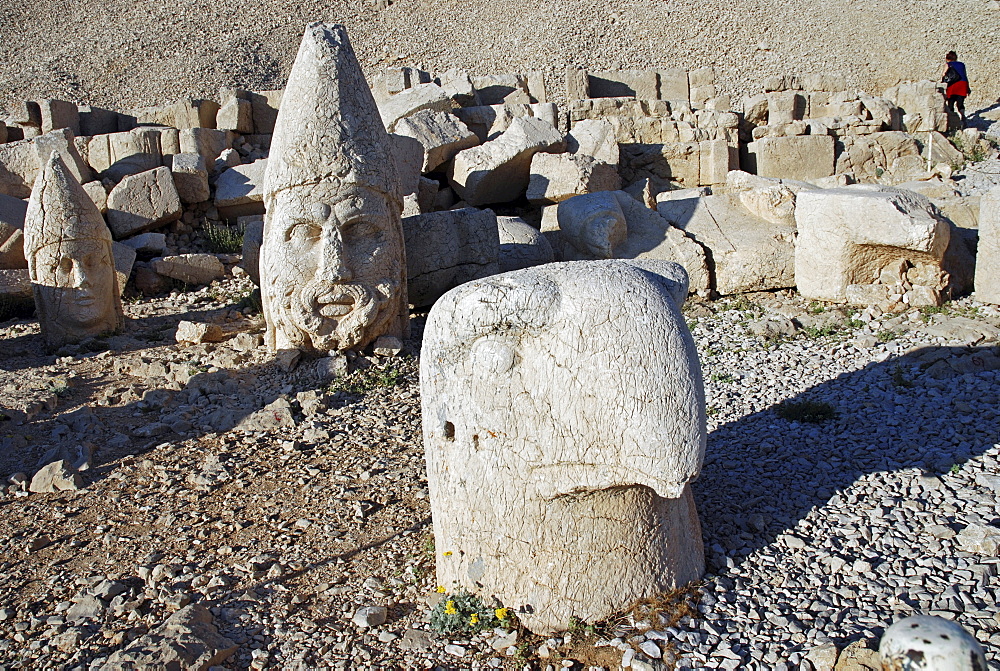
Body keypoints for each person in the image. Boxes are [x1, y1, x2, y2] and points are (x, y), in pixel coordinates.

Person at [942, 51, 970, 126]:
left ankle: (952, 121)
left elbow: (944, 74)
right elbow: (965, 75)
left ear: (948, 58)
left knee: (951, 103)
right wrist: (968, 88)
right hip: (963, 84)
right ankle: (963, 117)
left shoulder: (948, 64)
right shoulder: (962, 64)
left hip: (953, 85)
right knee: (960, 102)